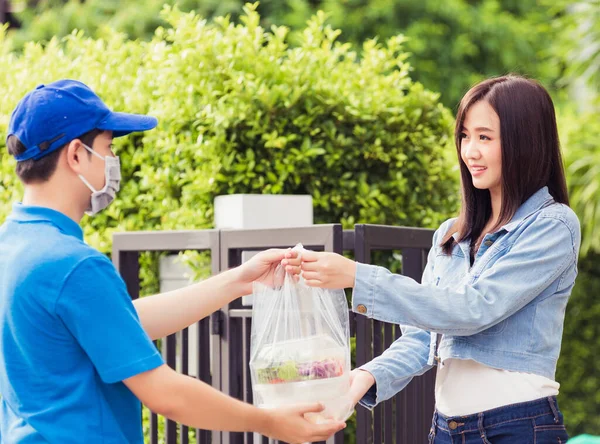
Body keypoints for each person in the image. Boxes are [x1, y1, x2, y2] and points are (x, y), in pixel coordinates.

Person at [0, 79, 345, 443]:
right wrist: (270, 422)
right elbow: (166, 394)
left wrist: (242, 280)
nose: (113, 161)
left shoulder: (13, 246)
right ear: (75, 155)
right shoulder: (73, 266)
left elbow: (120, 322)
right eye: (108, 146)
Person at [299, 75, 580, 443]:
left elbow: (472, 311)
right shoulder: (451, 233)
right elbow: (426, 338)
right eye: (464, 136)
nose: (469, 151)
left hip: (516, 426)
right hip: (447, 428)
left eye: (484, 137)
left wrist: (358, 277)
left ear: (524, 142)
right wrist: (364, 378)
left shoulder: (553, 226)